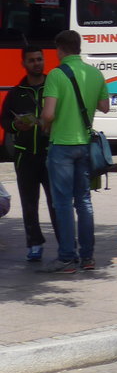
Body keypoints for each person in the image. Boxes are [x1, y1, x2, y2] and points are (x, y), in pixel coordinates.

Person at [38, 30, 109, 273]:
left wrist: (42, 124)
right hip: (85, 146)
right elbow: (104, 107)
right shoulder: (95, 73)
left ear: (60, 49)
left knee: (63, 204)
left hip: (62, 147)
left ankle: (67, 257)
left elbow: (48, 114)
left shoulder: (56, 75)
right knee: (84, 202)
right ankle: (88, 258)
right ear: (78, 47)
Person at [0, 46, 58, 261]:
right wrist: (15, 126)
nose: (37, 63)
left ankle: (65, 244)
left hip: (50, 154)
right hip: (25, 155)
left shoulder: (52, 88)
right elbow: (4, 120)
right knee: (29, 203)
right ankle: (34, 244)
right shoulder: (16, 93)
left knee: (56, 202)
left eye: (40, 59)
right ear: (24, 64)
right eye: (32, 60)